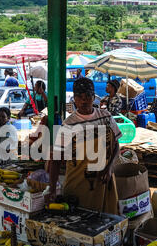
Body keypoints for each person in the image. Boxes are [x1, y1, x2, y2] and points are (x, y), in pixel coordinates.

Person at [46, 78, 122, 215]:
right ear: (74, 99)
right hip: (77, 186)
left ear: (94, 97)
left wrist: (109, 167)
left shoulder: (105, 117)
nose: (84, 100)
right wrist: (52, 188)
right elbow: (56, 159)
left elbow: (116, 145)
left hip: (104, 183)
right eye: (79, 97)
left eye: (88, 96)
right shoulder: (68, 124)